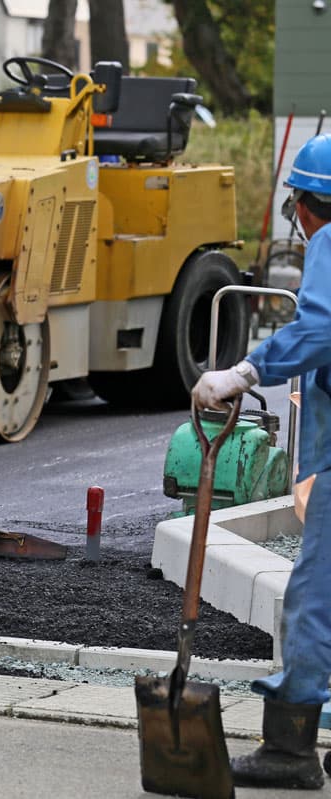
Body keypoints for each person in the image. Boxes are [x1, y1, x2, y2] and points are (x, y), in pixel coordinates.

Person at [192, 133, 331, 790]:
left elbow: (322, 326)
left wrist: (245, 371)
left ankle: (290, 749)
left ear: (306, 206)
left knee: (312, 597)